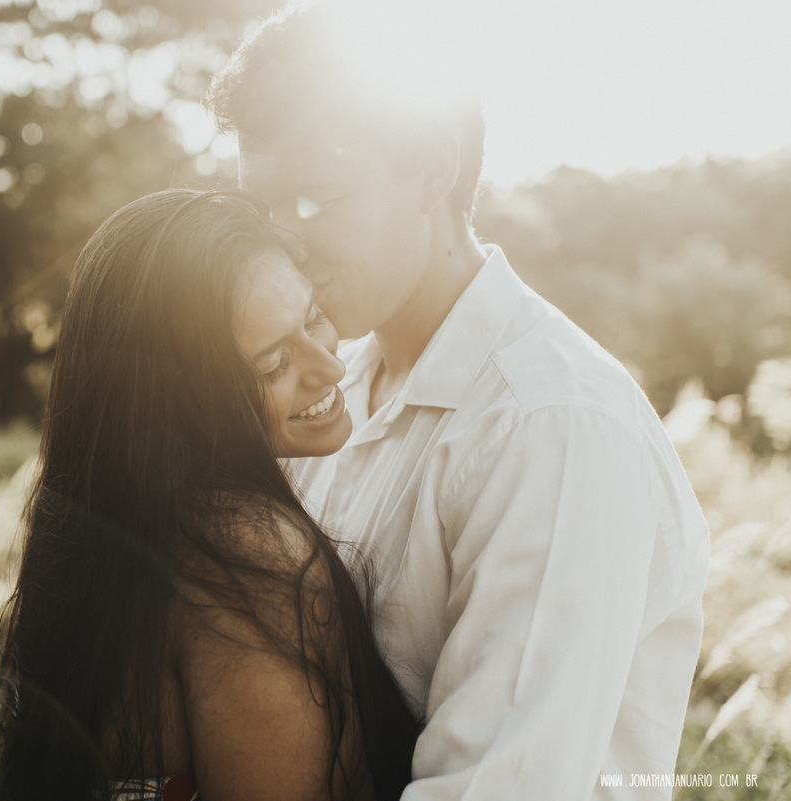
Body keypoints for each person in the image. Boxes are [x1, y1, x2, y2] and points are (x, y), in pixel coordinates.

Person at [206, 1, 711, 799]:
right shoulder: (327, 387)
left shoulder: (550, 425)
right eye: (261, 208)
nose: (282, 240)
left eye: (313, 199)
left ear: (433, 172)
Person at [0, 189, 420, 801]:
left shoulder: (114, 525)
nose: (331, 367)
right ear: (182, 402)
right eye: (272, 364)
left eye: (314, 314)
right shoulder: (248, 559)